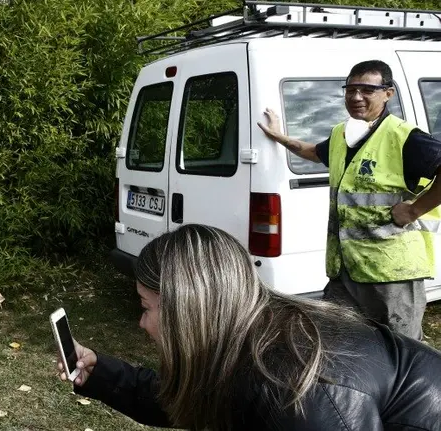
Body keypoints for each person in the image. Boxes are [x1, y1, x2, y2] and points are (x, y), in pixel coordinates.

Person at [59, 224, 441, 430]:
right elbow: (193, 397)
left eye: (145, 307)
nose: (141, 323)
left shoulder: (292, 387)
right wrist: (101, 373)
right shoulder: (244, 331)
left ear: (188, 310)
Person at [258, 59, 441, 340]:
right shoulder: (342, 135)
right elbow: (311, 151)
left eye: (367, 90)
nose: (356, 97)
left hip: (390, 272)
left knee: (400, 349)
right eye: (350, 89)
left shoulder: (404, 137)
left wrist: (414, 210)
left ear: (388, 93)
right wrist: (279, 135)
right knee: (340, 342)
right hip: (345, 270)